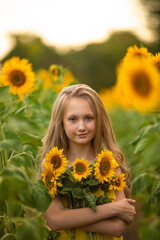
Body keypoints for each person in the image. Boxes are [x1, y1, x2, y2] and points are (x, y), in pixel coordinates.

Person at [41, 84, 136, 240]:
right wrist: (114, 208)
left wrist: (68, 218)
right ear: (61, 122)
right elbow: (54, 221)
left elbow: (117, 228)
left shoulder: (110, 164)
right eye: (73, 119)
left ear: (99, 120)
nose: (82, 127)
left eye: (88, 118)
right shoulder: (52, 164)